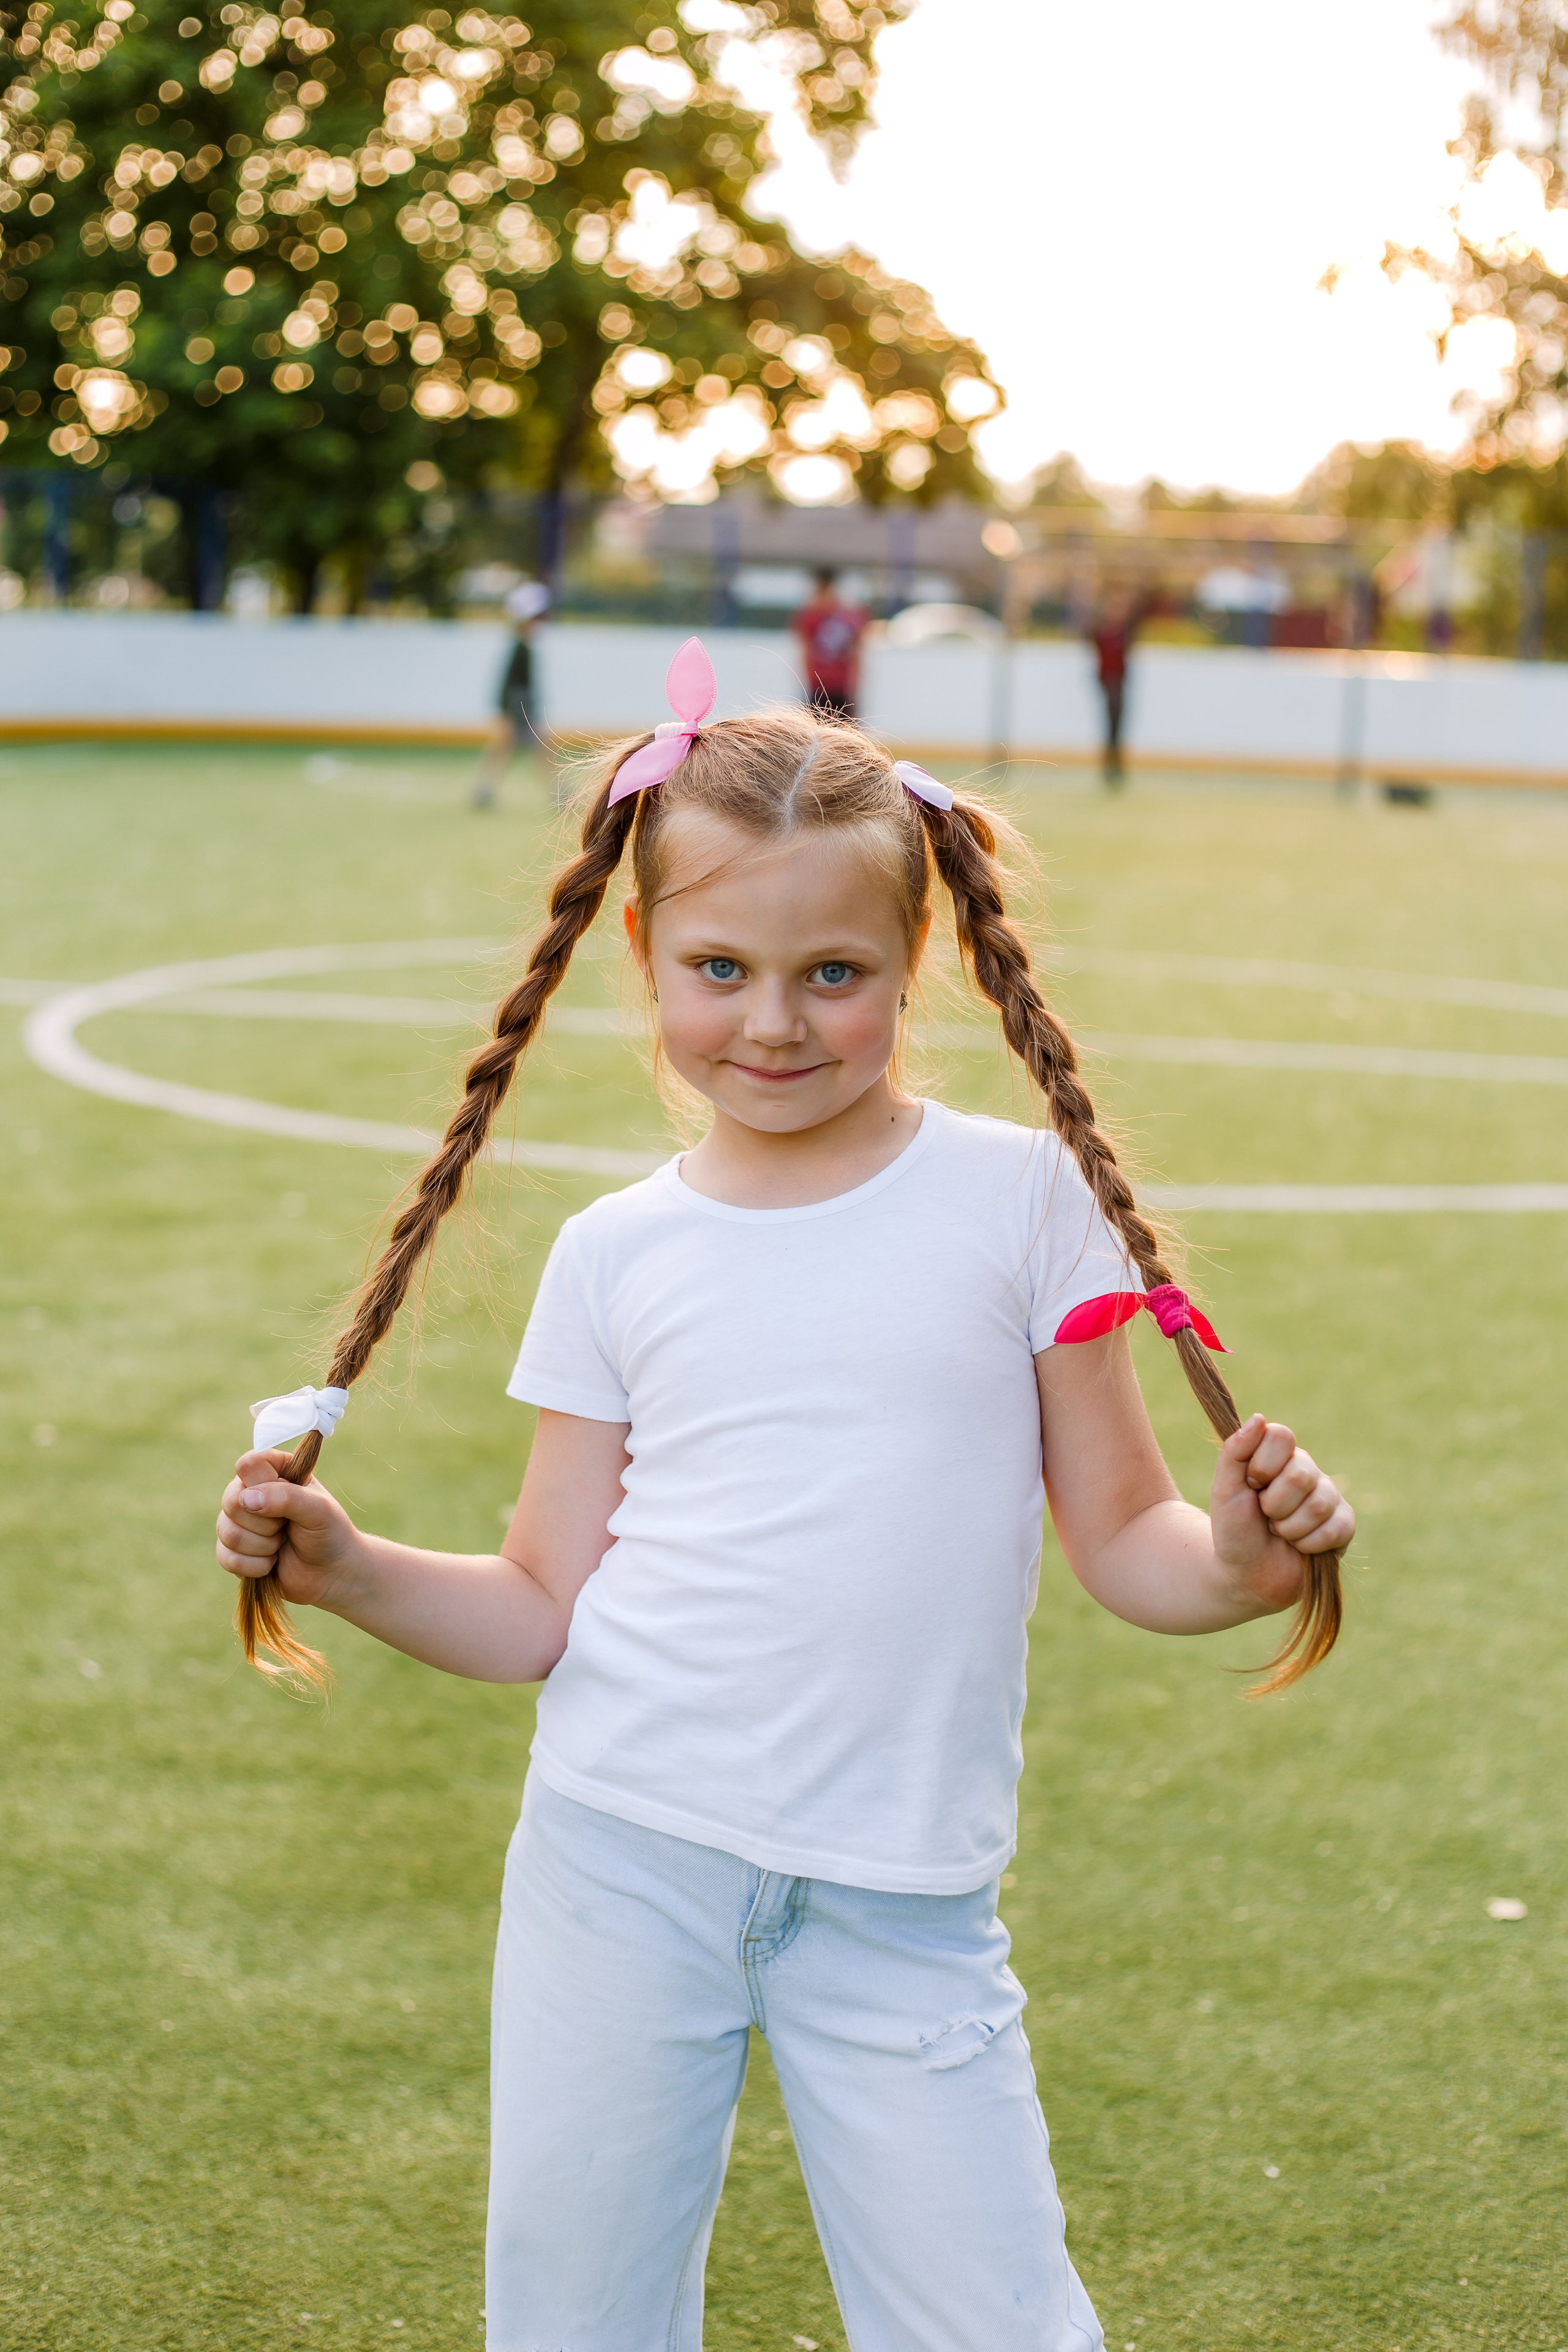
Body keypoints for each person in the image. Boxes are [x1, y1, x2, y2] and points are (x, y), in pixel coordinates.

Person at [217, 639, 1353, 2352]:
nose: (769, 1021)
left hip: (903, 1898)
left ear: (915, 960)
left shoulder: (1024, 1205)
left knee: (995, 2324)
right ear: (645, 957)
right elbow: (537, 1606)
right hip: (621, 1858)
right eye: (720, 967)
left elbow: (1133, 1544)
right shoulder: (617, 1257)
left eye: (831, 971)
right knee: (577, 2319)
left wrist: (1249, 1562)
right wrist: (352, 1566)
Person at [470, 578, 551, 810]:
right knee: (522, 748)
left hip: (520, 707)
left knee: (517, 749)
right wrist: (515, 712)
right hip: (520, 709)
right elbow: (512, 685)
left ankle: (484, 789)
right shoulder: (520, 648)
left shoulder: (524, 646)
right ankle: (484, 789)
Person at [1087, 584, 1146, 785]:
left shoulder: (1125, 631)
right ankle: (1110, 766)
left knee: (1118, 725)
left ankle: (1116, 766)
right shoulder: (1101, 631)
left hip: (1119, 683)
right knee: (1111, 724)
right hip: (1107, 683)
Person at [792, 564, 868, 718]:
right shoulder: (850, 615)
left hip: (829, 686)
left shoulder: (810, 615)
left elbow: (805, 653)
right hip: (827, 686)